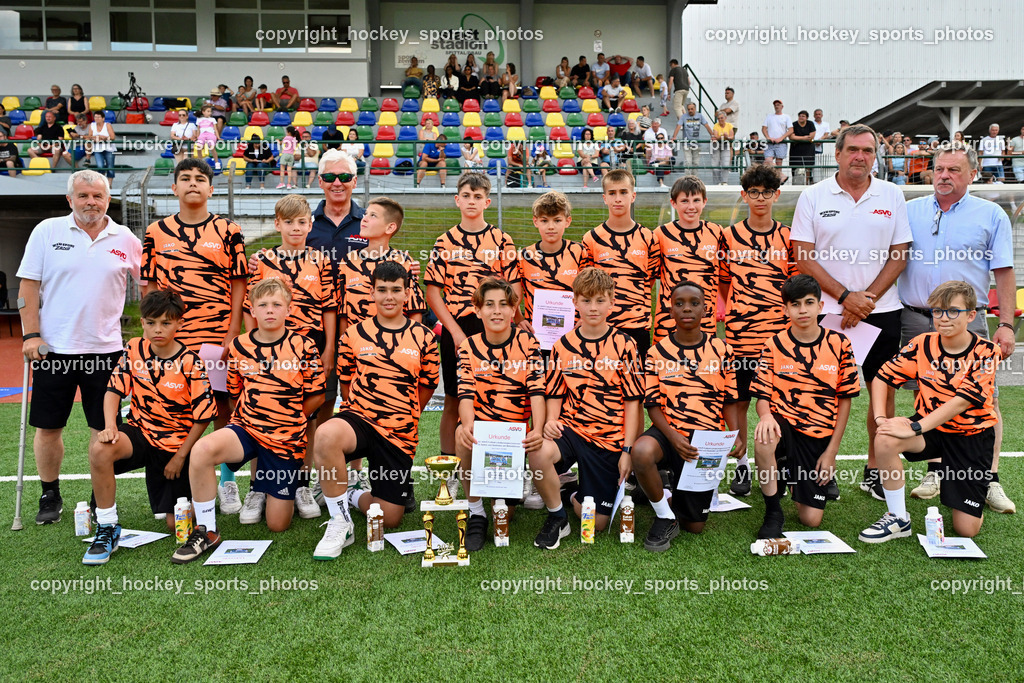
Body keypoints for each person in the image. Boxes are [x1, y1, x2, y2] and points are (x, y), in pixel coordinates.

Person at [790, 123, 912, 501]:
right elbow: (802, 257)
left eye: (868, 151)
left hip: (882, 310)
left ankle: (876, 468)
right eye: (853, 150)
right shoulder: (813, 195)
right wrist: (846, 297)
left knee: (883, 394)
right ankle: (823, 467)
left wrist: (867, 300)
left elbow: (900, 254)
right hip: (827, 313)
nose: (860, 156)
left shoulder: (891, 194)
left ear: (876, 155)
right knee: (822, 393)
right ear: (838, 154)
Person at [17, 170, 142, 524]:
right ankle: (49, 493)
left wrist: (147, 333)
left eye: (98, 196)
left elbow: (148, 285)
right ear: (69, 199)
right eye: (84, 196)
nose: (91, 202)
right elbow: (28, 288)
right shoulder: (47, 231)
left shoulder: (125, 237)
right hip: (53, 350)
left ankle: (97, 492)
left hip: (106, 352)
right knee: (48, 426)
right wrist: (31, 336)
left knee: (103, 428)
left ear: (108, 200)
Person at [170, 278, 325, 563]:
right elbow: (234, 392)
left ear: (288, 310)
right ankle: (207, 529)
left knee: (278, 524)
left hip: (285, 439)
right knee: (201, 451)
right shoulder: (239, 346)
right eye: (263, 305)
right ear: (251, 310)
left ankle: (264, 489)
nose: (270, 310)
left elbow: (317, 395)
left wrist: (290, 419)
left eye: (277, 305)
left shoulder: (304, 345)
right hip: (247, 429)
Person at [899, 142, 1016, 513]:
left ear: (972, 174)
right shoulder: (909, 210)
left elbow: (1004, 273)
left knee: (986, 400)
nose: (944, 176)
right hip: (917, 317)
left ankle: (989, 477)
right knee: (927, 395)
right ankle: (936, 471)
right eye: (939, 169)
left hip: (971, 319)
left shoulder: (992, 214)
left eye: (954, 170)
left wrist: (1008, 324)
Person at [142, 159, 248, 514]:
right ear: (173, 188)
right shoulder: (155, 231)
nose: (192, 184)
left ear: (210, 189)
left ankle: (227, 481)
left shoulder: (228, 230)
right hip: (174, 338)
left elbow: (239, 284)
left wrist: (233, 330)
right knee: (180, 406)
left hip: (217, 335)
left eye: (200, 179)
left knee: (222, 406)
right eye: (184, 178)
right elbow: (150, 287)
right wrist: (153, 333)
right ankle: (182, 481)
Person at [312, 261, 439, 558]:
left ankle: (353, 495)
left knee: (391, 517)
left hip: (399, 433)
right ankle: (339, 521)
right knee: (327, 434)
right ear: (372, 292)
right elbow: (345, 383)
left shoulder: (424, 337)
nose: (389, 296)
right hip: (361, 421)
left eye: (396, 290)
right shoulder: (353, 335)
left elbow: (428, 385)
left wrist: (406, 416)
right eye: (382, 290)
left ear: (407, 293)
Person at [83, 290, 216, 564]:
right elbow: (112, 390)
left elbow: (203, 417)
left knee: (174, 524)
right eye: (151, 322)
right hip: (141, 435)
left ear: (179, 323)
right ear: (142, 322)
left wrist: (180, 457)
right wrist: (110, 426)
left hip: (176, 446)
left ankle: (196, 502)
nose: (158, 329)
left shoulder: (191, 362)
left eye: (166, 323)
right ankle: (107, 526)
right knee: (100, 449)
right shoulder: (134, 348)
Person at [861, 281, 1000, 543]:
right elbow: (882, 377)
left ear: (971, 315)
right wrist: (881, 419)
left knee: (966, 529)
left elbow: (961, 401)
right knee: (886, 437)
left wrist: (915, 427)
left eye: (952, 311)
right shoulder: (921, 343)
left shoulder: (985, 351)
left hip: (970, 437)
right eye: (937, 311)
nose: (943, 318)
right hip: (931, 429)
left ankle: (965, 488)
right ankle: (898, 518)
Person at [530, 267, 644, 547]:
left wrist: (627, 450)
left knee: (596, 522)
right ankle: (557, 517)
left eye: (600, 300)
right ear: (575, 302)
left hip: (609, 440)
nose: (593, 307)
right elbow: (555, 393)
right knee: (537, 450)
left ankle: (572, 493)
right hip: (573, 430)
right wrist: (550, 422)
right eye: (586, 300)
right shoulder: (562, 345)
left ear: (612, 303)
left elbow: (633, 403)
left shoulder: (626, 345)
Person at [243, 193, 336, 520]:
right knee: (261, 414)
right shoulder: (264, 259)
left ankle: (301, 483)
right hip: (268, 347)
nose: (296, 228)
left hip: (308, 347)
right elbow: (249, 308)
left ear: (310, 224)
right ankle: (257, 486)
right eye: (288, 222)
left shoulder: (320, 260)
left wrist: (328, 348)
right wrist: (250, 347)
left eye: (302, 222)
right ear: (277, 223)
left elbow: (328, 307)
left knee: (306, 417)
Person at [634, 279, 741, 550]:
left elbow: (730, 400)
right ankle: (664, 515)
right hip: (669, 431)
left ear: (706, 309)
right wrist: (672, 437)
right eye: (679, 304)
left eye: (694, 303)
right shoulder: (656, 352)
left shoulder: (723, 350)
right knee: (642, 451)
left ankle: (672, 493)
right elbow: (653, 405)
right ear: (670, 311)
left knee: (695, 526)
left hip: (706, 439)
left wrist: (737, 435)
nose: (687, 309)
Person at [424, 172, 521, 469]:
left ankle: (500, 464)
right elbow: (433, 292)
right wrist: (453, 332)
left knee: (498, 394)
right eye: (466, 195)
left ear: (488, 202)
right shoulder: (444, 241)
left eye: (478, 196)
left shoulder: (503, 240)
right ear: (457, 200)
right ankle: (449, 467)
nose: (471, 201)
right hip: (459, 328)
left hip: (495, 327)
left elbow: (515, 288)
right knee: (454, 397)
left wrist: (504, 322)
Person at [751, 274, 859, 538]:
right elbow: (762, 396)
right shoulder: (774, 344)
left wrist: (831, 452)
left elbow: (845, 401)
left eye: (809, 303)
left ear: (820, 307)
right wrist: (765, 416)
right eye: (795, 304)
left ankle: (790, 473)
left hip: (818, 434)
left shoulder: (839, 344)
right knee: (764, 438)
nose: (802, 310)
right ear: (785, 309)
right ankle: (773, 510)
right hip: (784, 425)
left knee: (811, 519)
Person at [718, 163, 796, 498]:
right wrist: (735, 312)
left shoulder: (788, 236)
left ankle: (781, 463)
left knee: (777, 403)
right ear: (744, 194)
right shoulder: (729, 236)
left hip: (778, 340)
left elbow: (794, 285)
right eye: (754, 192)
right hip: (739, 339)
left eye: (766, 192)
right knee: (738, 402)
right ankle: (742, 465)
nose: (760, 198)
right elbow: (722, 281)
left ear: (776, 194)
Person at [455, 278, 546, 550]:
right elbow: (465, 394)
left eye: (504, 305)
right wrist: (468, 425)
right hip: (483, 430)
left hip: (513, 435)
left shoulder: (528, 343)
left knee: (505, 511)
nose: (496, 311)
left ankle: (510, 490)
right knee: (462, 433)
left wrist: (537, 429)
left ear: (513, 309)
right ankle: (475, 512)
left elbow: (537, 392)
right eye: (489, 305)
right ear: (478, 310)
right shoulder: (467, 347)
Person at [652, 175, 723, 342]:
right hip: (668, 322)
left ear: (704, 201)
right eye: (684, 201)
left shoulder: (717, 233)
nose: (691, 207)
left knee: (703, 367)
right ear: (673, 203)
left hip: (704, 321)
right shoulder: (661, 234)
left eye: (696, 200)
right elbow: (649, 278)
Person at [517, 191, 589, 343]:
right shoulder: (524, 256)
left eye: (557, 220)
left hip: (574, 334)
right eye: (544, 221)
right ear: (535, 222)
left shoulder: (579, 252)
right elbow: (512, 294)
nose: (551, 227)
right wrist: (518, 318)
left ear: (567, 221)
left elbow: (588, 291)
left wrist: (585, 319)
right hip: (535, 335)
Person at [675, 102, 712, 172]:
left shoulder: (700, 116)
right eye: (688, 109)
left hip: (697, 143)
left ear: (695, 109)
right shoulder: (684, 116)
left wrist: (712, 135)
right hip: (687, 143)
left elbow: (706, 125)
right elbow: (678, 126)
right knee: (688, 163)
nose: (690, 111)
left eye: (692, 109)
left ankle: (694, 179)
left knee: (696, 163)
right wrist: (674, 137)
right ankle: (688, 180)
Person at [761, 100, 793, 180]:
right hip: (770, 143)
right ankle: (781, 176)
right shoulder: (769, 116)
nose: (776, 106)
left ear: (782, 106)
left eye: (778, 105)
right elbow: (764, 128)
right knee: (768, 161)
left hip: (781, 143)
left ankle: (778, 180)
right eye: (775, 105)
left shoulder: (786, 117)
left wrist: (781, 138)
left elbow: (791, 130)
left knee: (779, 163)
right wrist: (768, 137)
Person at [87, 110, 116, 185]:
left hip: (109, 148)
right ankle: (102, 184)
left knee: (110, 166)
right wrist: (95, 138)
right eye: (95, 117)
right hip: (97, 148)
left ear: (103, 118)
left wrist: (104, 138)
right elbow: (89, 136)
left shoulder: (108, 125)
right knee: (100, 166)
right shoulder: (92, 125)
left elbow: (112, 137)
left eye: (99, 117)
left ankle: (109, 184)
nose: (97, 119)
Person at [789, 110, 817, 186]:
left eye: (803, 116)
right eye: (800, 116)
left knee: (808, 166)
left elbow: (811, 136)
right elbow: (791, 136)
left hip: (808, 149)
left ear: (807, 117)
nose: (801, 117)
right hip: (796, 149)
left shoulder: (810, 124)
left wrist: (797, 138)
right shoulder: (794, 124)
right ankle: (794, 183)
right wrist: (804, 138)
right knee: (795, 166)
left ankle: (807, 183)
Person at [710, 110, 735, 184]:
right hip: (716, 145)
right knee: (715, 165)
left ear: (725, 118)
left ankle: (724, 181)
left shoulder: (729, 125)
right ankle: (716, 182)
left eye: (721, 118)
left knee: (725, 164)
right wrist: (724, 136)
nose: (720, 120)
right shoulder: (716, 125)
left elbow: (732, 136)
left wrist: (726, 137)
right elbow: (715, 136)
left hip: (725, 145)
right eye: (719, 118)